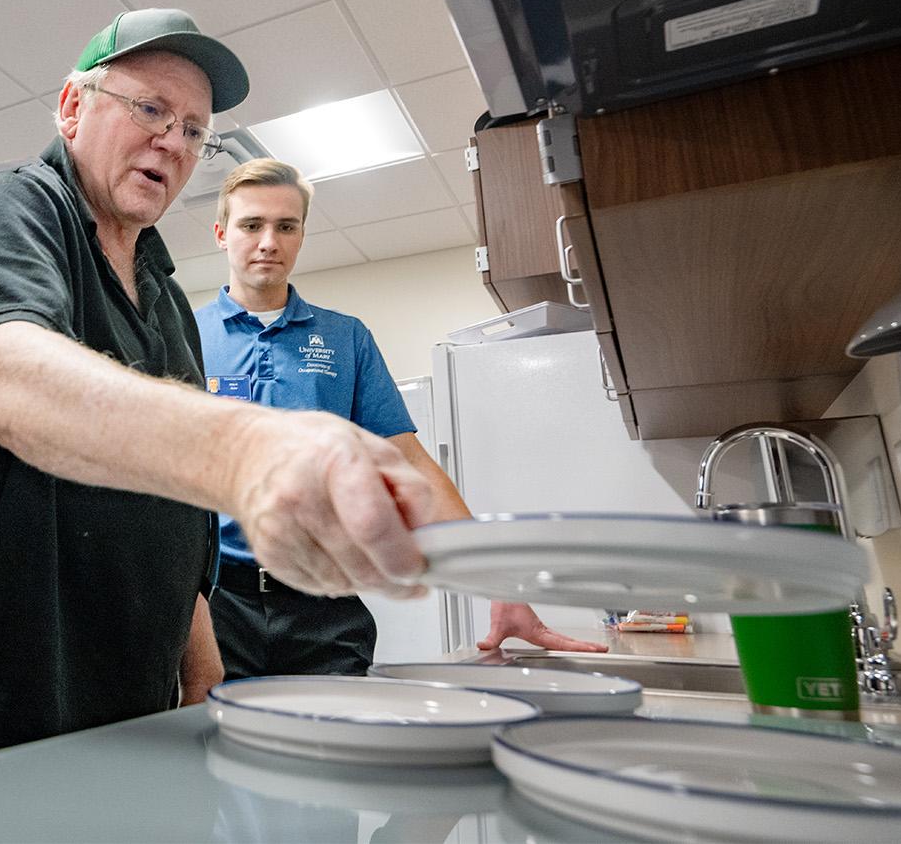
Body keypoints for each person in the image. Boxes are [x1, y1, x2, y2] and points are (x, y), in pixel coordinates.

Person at [0, 9, 440, 771]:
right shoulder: (14, 207)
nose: (173, 141)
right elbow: (9, 381)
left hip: (130, 696)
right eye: (150, 109)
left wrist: (199, 655)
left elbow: (173, 510)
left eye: (196, 130)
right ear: (72, 108)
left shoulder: (164, 296)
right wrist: (248, 449)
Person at [197, 159, 608, 679]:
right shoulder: (187, 334)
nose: (268, 242)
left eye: (286, 226)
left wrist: (498, 583)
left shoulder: (345, 337)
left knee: (340, 750)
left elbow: (410, 462)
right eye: (251, 225)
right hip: (218, 607)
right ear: (221, 233)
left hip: (326, 606)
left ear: (302, 235)